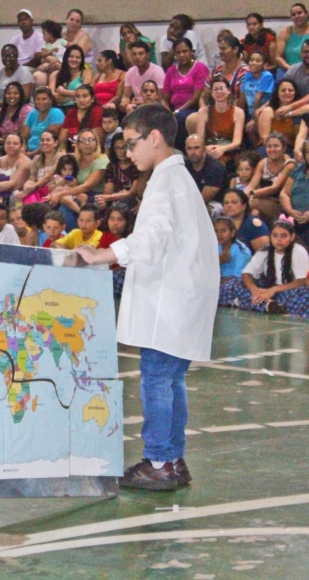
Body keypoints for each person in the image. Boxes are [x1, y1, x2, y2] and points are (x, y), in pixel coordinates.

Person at [75, 103, 219, 490]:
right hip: (183, 296)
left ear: (154, 138)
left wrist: (105, 254)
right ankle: (172, 458)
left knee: (157, 378)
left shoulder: (164, 182)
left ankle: (158, 460)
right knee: (171, 380)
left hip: (170, 300)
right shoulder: (179, 178)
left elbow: (152, 237)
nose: (128, 152)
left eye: (131, 143)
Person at [220, 217, 309, 313]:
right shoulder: (265, 250)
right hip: (266, 290)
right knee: (237, 284)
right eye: (275, 236)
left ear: (292, 237)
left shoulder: (299, 251)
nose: (278, 240)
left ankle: (243, 302)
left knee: (305, 295)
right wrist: (255, 291)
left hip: (290, 290)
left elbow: (303, 281)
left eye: (284, 236)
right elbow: (247, 274)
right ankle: (267, 305)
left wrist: (274, 290)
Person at [189, 75, 245, 168]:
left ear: (228, 91)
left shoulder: (238, 112)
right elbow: (200, 139)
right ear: (211, 93)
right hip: (209, 146)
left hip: (229, 148)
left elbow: (237, 142)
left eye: (221, 88)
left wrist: (222, 149)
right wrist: (206, 148)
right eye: (215, 89)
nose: (218, 92)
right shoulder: (203, 112)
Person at [163, 38, 208, 147]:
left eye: (185, 51)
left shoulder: (200, 68)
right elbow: (165, 97)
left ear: (191, 52)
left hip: (192, 108)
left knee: (180, 118)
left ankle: (182, 151)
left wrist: (178, 111)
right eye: (178, 52)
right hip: (174, 110)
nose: (182, 55)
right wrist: (168, 111)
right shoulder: (171, 70)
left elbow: (196, 97)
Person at [276, 3, 309, 79]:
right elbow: (278, 57)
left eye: (299, 13)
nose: (297, 16)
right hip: (287, 70)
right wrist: (291, 69)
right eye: (293, 14)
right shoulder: (285, 32)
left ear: (306, 14)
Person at [0, 133, 32, 203]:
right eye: (8, 143)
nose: (11, 146)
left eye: (15, 144)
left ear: (21, 146)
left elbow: (12, 184)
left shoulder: (25, 162)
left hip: (14, 196)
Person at [96, 133, 141, 209]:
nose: (122, 151)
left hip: (133, 201)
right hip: (114, 200)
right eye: (118, 148)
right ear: (113, 149)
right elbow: (108, 189)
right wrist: (103, 201)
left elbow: (132, 192)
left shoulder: (137, 164)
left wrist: (107, 197)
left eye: (124, 147)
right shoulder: (111, 166)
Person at [121, 41, 166, 114]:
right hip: (136, 106)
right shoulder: (130, 72)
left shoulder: (157, 71)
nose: (137, 57)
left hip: (154, 106)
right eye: (134, 54)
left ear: (148, 55)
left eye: (141, 54)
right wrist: (124, 103)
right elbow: (126, 95)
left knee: (131, 108)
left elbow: (159, 98)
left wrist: (139, 103)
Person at [221, 188, 270, 252]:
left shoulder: (254, 225)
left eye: (234, 202)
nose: (229, 205)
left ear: (244, 206)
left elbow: (263, 255)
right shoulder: (219, 224)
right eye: (226, 203)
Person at [22, 129, 63, 204]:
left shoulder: (61, 157)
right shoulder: (36, 159)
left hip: (55, 191)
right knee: (19, 200)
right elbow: (32, 178)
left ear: (56, 143)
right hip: (39, 191)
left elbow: (48, 177)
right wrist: (27, 185)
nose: (44, 143)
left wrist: (33, 187)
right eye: (42, 140)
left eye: (48, 140)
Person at [0, 45, 34, 111]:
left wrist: (2, 103)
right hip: (3, 108)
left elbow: (25, 98)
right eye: (4, 56)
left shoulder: (24, 72)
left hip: (21, 107)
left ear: (17, 56)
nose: (7, 59)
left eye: (11, 56)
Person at [0, 82, 31, 150]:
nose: (12, 96)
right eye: (8, 93)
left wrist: (3, 142)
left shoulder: (26, 111)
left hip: (19, 148)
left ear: (21, 95)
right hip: (2, 147)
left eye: (15, 93)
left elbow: (24, 137)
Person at [185, 134, 226, 206]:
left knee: (205, 210)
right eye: (189, 148)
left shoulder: (215, 168)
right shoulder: (184, 166)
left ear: (204, 149)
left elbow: (203, 200)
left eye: (197, 148)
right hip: (189, 201)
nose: (193, 152)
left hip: (215, 203)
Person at [59, 84, 102, 152]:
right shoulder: (71, 112)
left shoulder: (97, 111)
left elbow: (97, 139)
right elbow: (62, 138)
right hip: (71, 152)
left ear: (92, 98)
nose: (81, 100)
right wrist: (63, 152)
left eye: (85, 96)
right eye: (78, 97)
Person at [49, 45, 92, 111]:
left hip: (78, 109)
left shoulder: (86, 73)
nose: (74, 59)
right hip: (58, 109)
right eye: (71, 57)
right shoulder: (55, 74)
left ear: (81, 60)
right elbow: (52, 96)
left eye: (78, 57)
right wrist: (75, 96)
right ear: (66, 58)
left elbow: (85, 94)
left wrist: (64, 92)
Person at [215, 215, 253, 286]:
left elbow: (240, 278)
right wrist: (217, 261)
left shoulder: (241, 250)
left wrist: (218, 281)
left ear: (232, 233)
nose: (219, 234)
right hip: (217, 282)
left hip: (235, 285)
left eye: (223, 231)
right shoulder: (215, 246)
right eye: (216, 231)